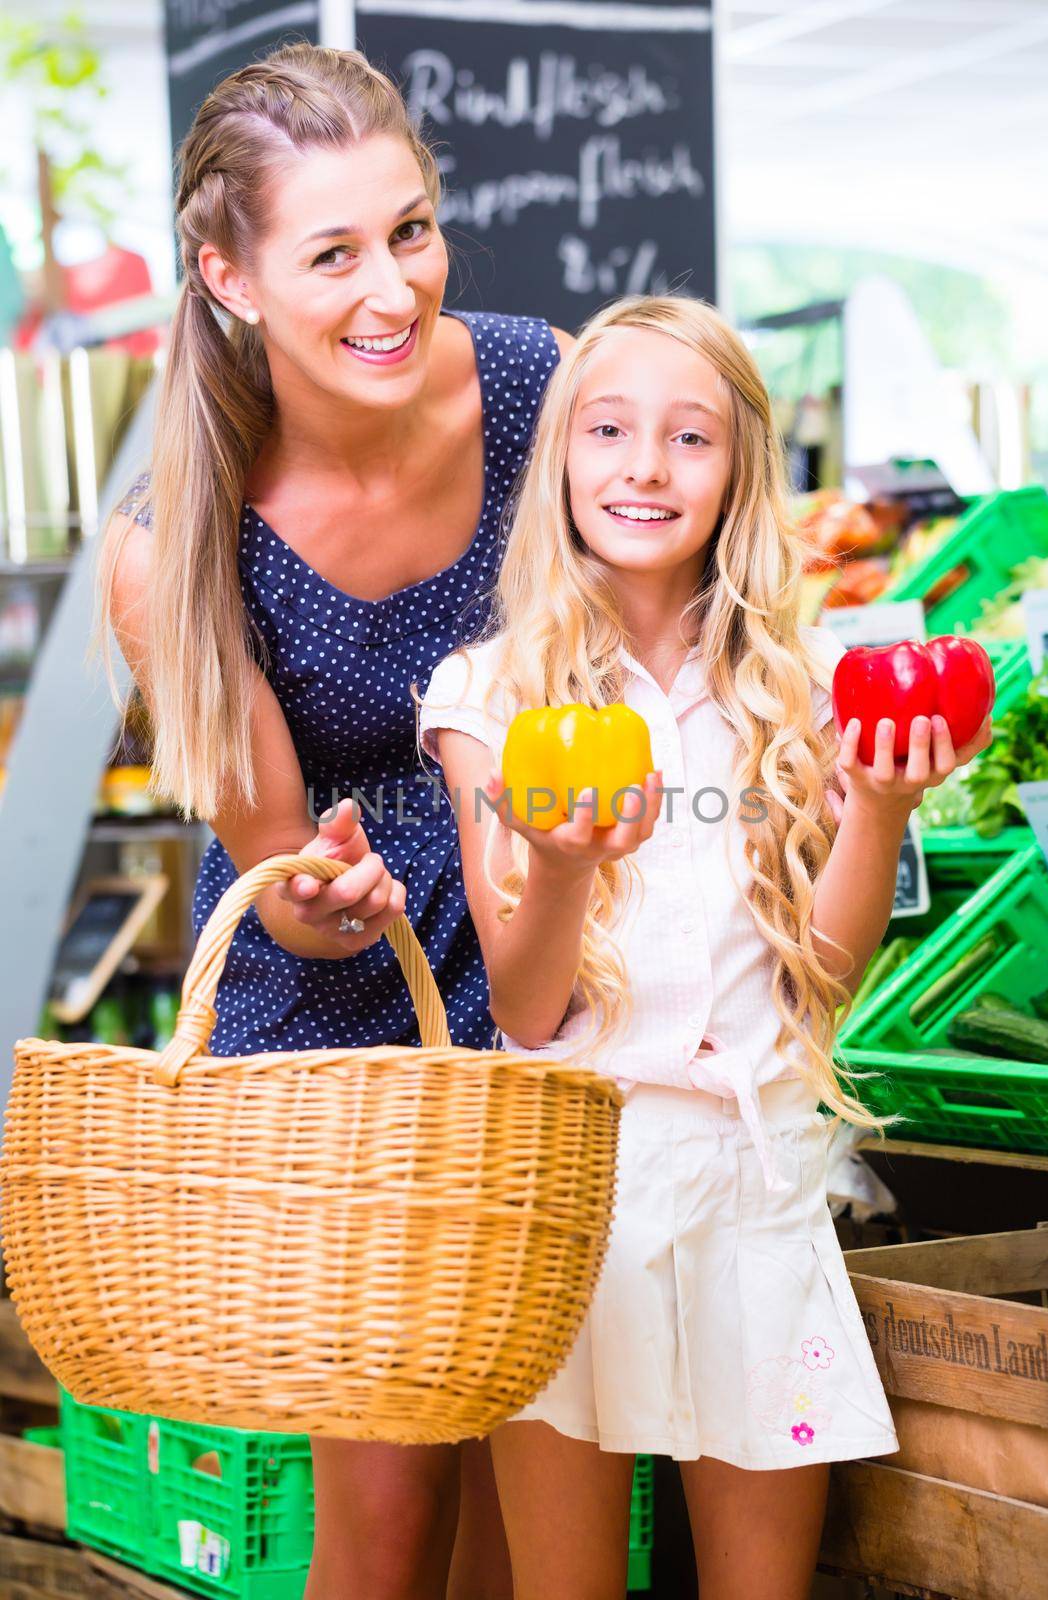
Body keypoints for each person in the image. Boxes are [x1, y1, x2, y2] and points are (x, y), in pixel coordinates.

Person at [417, 294, 992, 1600]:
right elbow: (522, 1000)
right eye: (608, 429)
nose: (644, 467)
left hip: (755, 1180)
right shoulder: (490, 696)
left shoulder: (796, 689)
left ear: (740, 472)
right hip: (578, 1189)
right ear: (559, 456)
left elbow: (820, 986)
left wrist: (883, 808)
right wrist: (559, 869)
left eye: (691, 438)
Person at [100, 42, 571, 1600]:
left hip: (553, 942)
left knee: (549, 1491)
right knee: (388, 1514)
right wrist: (329, 894)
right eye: (334, 252)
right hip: (353, 1014)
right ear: (228, 274)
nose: (394, 290)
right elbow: (279, 875)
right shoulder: (179, 540)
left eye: (414, 230)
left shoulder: (539, 388)